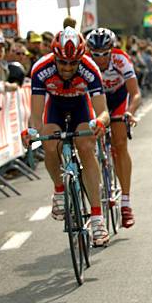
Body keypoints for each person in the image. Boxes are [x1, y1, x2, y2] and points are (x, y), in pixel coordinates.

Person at [23, 27, 111, 247]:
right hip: (56, 109)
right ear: (55, 57)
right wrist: (33, 131)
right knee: (49, 142)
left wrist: (100, 122)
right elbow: (36, 115)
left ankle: (97, 217)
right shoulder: (41, 69)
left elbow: (103, 112)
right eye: (62, 62)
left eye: (73, 63)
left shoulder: (90, 69)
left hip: (81, 107)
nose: (68, 68)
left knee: (85, 145)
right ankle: (59, 189)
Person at [86, 28, 140, 228]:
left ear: (112, 50)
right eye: (95, 55)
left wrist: (130, 111)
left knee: (119, 144)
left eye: (104, 54)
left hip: (117, 97)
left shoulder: (121, 60)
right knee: (87, 141)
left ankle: (125, 203)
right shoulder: (85, 62)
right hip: (96, 99)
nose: (100, 59)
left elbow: (135, 93)